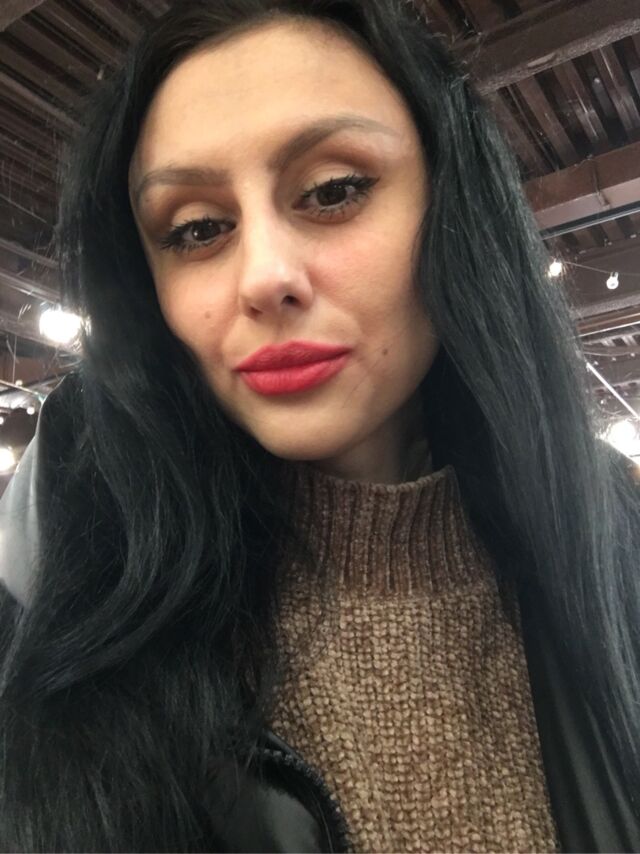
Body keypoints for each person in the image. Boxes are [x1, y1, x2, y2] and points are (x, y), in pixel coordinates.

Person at [0, 0, 638, 850]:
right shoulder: (53, 598)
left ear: (455, 207)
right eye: (197, 229)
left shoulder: (610, 546)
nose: (264, 276)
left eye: (334, 190)